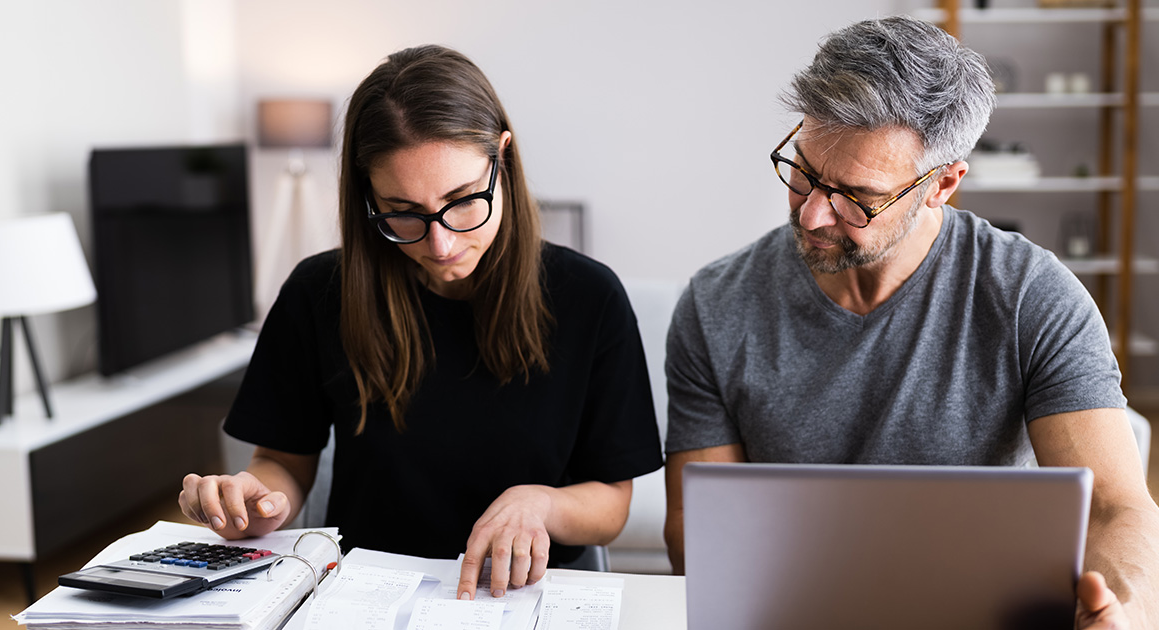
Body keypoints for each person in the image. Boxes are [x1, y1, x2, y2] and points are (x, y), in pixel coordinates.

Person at [662, 16, 1159, 629]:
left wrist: (1126, 612)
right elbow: (698, 533)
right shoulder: (717, 303)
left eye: (857, 197)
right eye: (804, 172)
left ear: (943, 184)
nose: (813, 214)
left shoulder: (1032, 296)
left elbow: (1116, 507)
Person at [179, 45, 662, 601]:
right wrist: (253, 500)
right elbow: (284, 462)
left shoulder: (589, 296)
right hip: (366, 594)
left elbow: (611, 501)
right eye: (402, 211)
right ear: (368, 195)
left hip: (527, 597)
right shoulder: (319, 293)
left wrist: (541, 503)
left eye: (461, 200)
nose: (441, 243)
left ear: (502, 157)